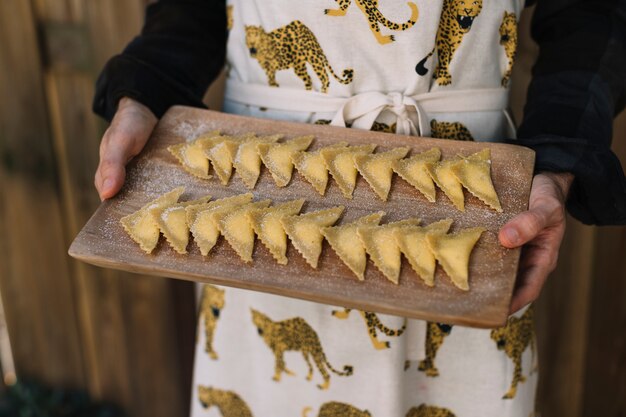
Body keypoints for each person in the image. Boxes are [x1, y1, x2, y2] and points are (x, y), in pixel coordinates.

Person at [92, 0, 626, 415]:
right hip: (247, 200)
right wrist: (145, 88)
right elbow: (190, 10)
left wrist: (560, 155)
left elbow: (591, 13)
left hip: (478, 203)